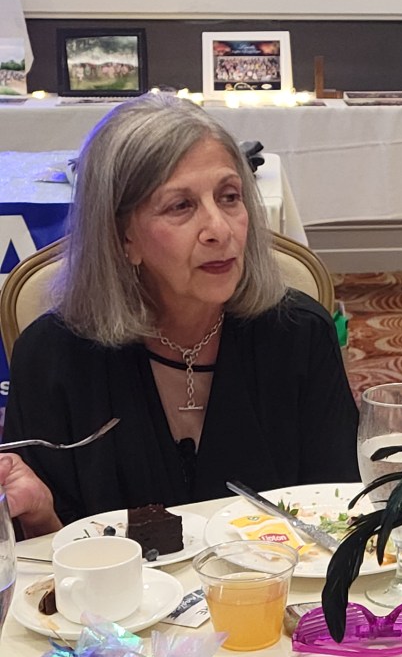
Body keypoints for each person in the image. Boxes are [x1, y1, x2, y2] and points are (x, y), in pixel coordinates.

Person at [1, 93, 360, 537]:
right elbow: (47, 557)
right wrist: (39, 514)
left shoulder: (299, 335)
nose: (220, 230)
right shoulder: (52, 357)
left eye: (229, 197)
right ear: (122, 236)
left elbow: (341, 514)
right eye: (180, 206)